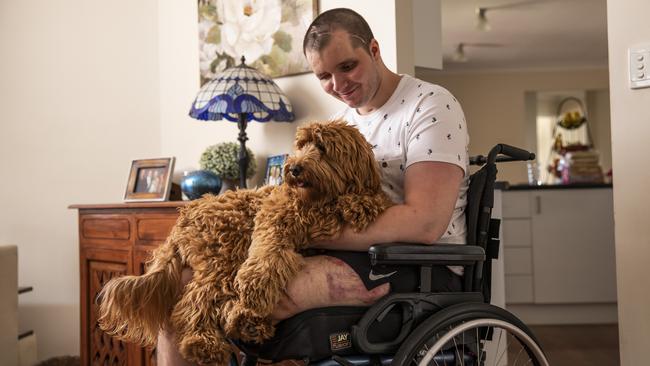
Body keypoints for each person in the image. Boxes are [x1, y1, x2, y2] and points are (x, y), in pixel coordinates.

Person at [157, 8, 469, 365]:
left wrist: (305, 234)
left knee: (262, 294)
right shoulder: (341, 125)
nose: (338, 85)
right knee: (175, 288)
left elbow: (425, 223)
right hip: (345, 252)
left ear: (375, 49)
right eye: (324, 76)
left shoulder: (430, 105)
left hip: (416, 264)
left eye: (347, 67)